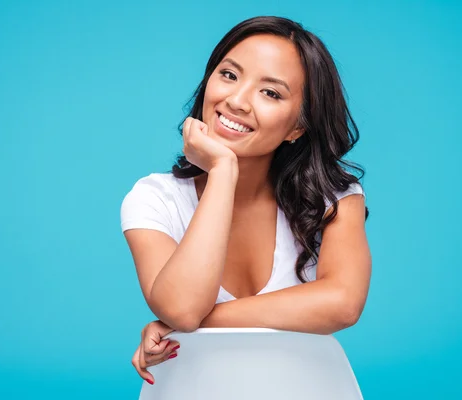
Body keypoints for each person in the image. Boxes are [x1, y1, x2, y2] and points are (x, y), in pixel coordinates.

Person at [120, 15, 372, 386]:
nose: (236, 101)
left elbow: (343, 302)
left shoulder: (333, 197)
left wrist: (182, 326)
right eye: (229, 75)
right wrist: (223, 169)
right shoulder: (155, 199)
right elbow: (183, 309)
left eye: (270, 92)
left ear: (298, 127)